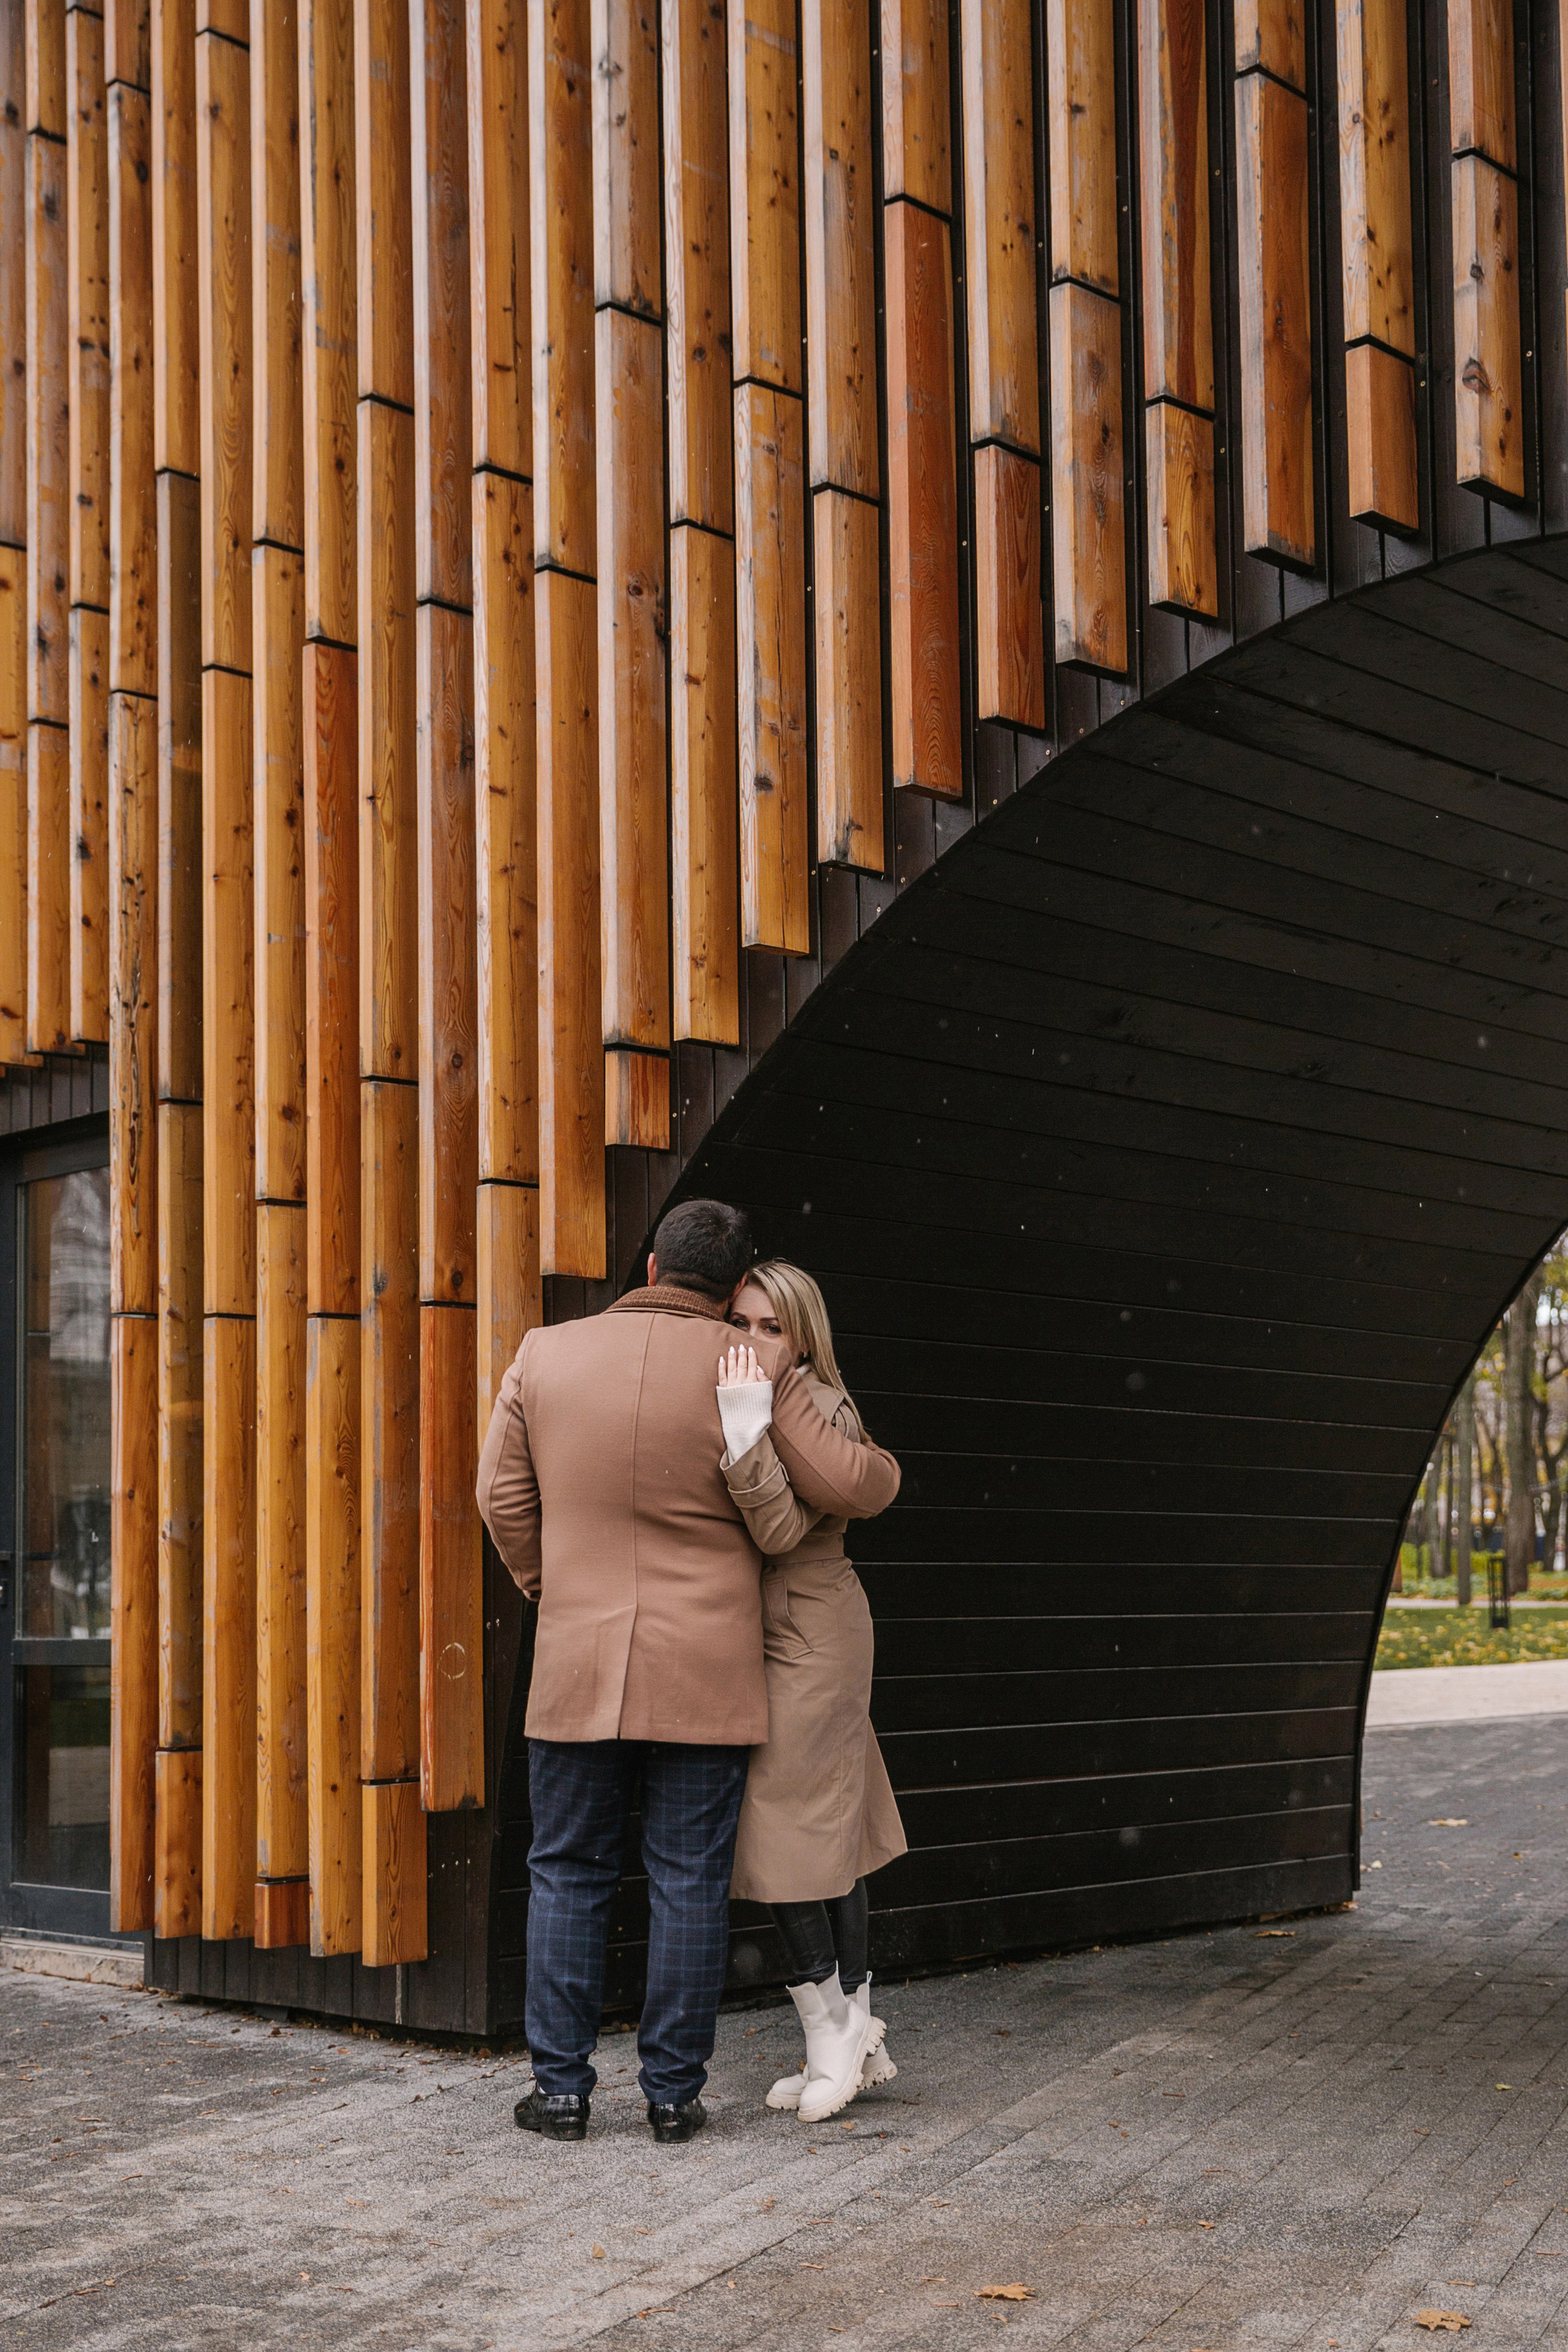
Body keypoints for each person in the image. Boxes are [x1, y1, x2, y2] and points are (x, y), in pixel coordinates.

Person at [475, 1199, 900, 2147]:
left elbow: (499, 1497)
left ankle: (562, 2093)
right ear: (727, 1290)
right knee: (689, 1881)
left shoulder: (545, 1353)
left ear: (656, 1267)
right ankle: (672, 2096)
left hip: (578, 1663)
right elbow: (825, 1494)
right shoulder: (746, 1366)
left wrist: (565, 1590)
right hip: (708, 1669)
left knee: (567, 1873)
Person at [715, 1261, 905, 2124]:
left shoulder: (815, 1405)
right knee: (815, 1825)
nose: (753, 1341)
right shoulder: (750, 1390)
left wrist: (747, 1438)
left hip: (813, 1627)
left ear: (802, 1335)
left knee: (794, 1828)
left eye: (771, 1327)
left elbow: (786, 1527)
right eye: (742, 1322)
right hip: (777, 1628)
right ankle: (843, 2029)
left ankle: (838, 2029)